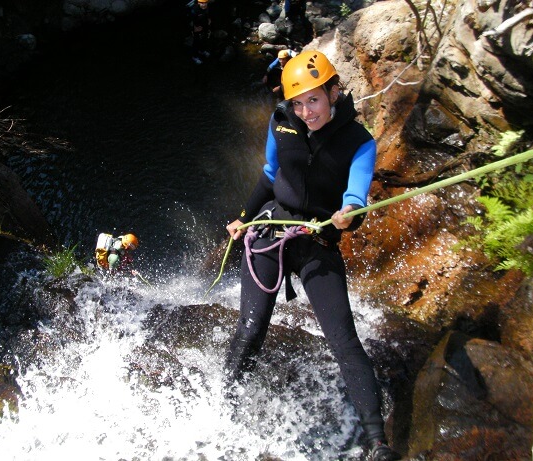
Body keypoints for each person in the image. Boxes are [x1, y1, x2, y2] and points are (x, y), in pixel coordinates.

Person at [224, 51, 401, 461]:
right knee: (251, 328)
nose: (306, 111)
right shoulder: (281, 120)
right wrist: (243, 217)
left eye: (315, 100)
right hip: (272, 232)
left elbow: (355, 195)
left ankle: (377, 442)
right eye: (299, 102)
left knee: (343, 338)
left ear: (334, 92)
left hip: (319, 240)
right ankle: (225, 405)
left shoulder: (359, 142)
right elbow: (270, 176)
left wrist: (348, 216)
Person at [189, 0, 212, 65]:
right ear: (198, 3)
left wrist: (209, 19)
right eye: (201, 3)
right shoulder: (194, 10)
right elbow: (189, 20)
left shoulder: (207, 8)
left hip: (204, 26)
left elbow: (207, 14)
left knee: (204, 39)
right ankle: (195, 56)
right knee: (196, 41)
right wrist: (194, 27)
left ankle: (202, 50)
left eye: (205, 3)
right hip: (196, 28)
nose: (204, 5)